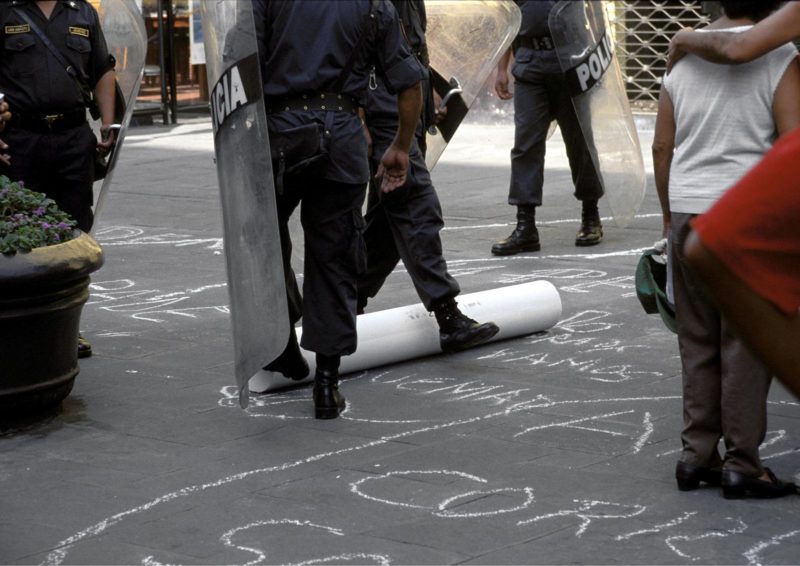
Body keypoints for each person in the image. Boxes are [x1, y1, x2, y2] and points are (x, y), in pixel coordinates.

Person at [653, 0, 799, 499]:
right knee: (746, 344)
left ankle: (696, 456)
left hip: (689, 205)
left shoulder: (682, 60)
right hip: (745, 217)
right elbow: (791, 142)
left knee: (695, 339)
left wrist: (669, 212)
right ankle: (743, 462)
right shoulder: (781, 58)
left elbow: (661, 147)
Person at [252, 0, 424, 419]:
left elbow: (242, 69)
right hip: (342, 138)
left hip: (279, 138)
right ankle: (326, 386)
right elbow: (410, 83)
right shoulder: (374, 4)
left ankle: (281, 344)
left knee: (262, 244)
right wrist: (400, 146)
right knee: (334, 258)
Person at [357, 0, 500, 352]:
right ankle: (447, 315)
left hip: (406, 106)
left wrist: (426, 89)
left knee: (388, 224)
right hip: (385, 110)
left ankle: (345, 297)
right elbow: (350, 52)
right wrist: (359, 116)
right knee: (417, 207)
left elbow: (411, 45)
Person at [0, 0, 117, 359]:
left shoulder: (81, 12)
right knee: (22, 236)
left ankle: (68, 328)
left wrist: (109, 125)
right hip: (21, 138)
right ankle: (23, 326)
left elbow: (102, 71)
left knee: (75, 233)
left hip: (72, 139)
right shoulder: (5, 10)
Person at [491, 0, 604, 256]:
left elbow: (595, 13)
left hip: (571, 61)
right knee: (525, 145)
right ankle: (525, 226)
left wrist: (598, 61)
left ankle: (590, 215)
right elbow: (508, 18)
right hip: (530, 62)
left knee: (580, 143)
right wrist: (502, 69)